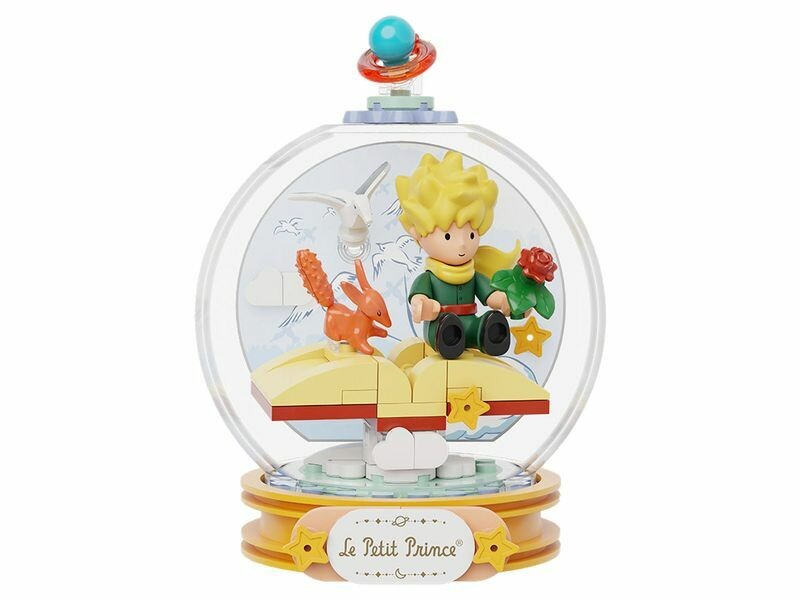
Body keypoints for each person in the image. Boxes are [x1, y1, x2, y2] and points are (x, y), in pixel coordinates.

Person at [397, 151, 519, 359]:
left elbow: (490, 296)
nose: (462, 243)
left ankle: (488, 335)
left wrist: (504, 301)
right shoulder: (429, 278)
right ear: (418, 233)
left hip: (471, 322)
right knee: (448, 329)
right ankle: (449, 339)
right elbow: (419, 297)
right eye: (447, 236)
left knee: (486, 323)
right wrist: (422, 305)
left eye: (471, 235)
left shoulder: (473, 275)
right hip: (440, 325)